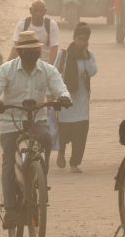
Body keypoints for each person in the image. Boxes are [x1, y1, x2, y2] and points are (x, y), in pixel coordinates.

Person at [0, 31, 72, 227]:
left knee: (47, 139)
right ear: (20, 52)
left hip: (37, 120)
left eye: (36, 50)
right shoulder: (6, 70)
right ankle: (10, 209)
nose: (34, 54)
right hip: (10, 122)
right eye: (29, 51)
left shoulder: (48, 70)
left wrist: (64, 97)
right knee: (9, 162)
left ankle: (40, 180)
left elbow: (60, 87)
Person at [55, 23, 97, 173]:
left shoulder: (89, 55)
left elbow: (93, 72)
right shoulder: (64, 54)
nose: (82, 42)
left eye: (85, 39)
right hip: (66, 99)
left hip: (82, 100)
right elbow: (55, 73)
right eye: (80, 39)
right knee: (64, 131)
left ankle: (75, 162)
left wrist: (86, 58)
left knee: (81, 132)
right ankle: (61, 152)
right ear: (74, 38)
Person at [9, 0, 60, 64]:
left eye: (41, 11)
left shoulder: (51, 25)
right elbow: (16, 46)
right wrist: (8, 64)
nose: (38, 13)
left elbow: (54, 48)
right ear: (30, 10)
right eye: (35, 11)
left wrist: (49, 68)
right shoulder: (22, 25)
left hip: (44, 63)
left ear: (45, 12)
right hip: (25, 63)